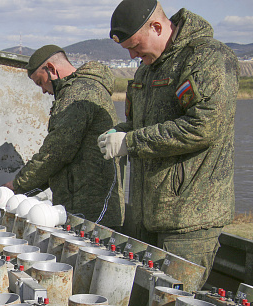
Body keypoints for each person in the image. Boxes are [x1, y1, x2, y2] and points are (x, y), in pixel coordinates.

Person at [99, 0, 238, 289]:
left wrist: (130, 141)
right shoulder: (146, 69)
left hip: (188, 221)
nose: (133, 55)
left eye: (135, 46)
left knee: (171, 305)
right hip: (145, 217)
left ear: (157, 27)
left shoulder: (207, 58)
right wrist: (118, 132)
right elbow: (139, 124)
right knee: (138, 303)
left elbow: (202, 127)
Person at [4, 45, 124, 228]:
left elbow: (56, 152)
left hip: (91, 205)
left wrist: (17, 186)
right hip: (82, 200)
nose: (43, 91)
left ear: (51, 69)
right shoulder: (80, 89)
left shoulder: (78, 92)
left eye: (40, 82)